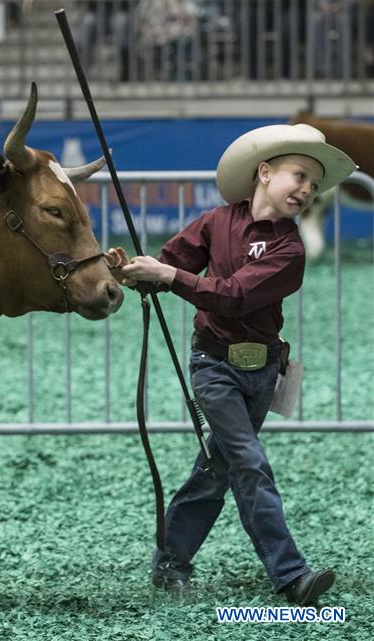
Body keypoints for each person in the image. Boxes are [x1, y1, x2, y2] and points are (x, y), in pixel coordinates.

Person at [105, 124, 357, 605]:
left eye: (313, 184)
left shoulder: (290, 250)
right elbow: (168, 263)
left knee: (216, 468)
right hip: (213, 366)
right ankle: (291, 576)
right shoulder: (214, 221)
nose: (306, 190)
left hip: (262, 374)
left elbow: (234, 296)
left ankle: (171, 563)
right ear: (264, 173)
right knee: (247, 461)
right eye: (299, 175)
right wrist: (133, 270)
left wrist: (167, 274)